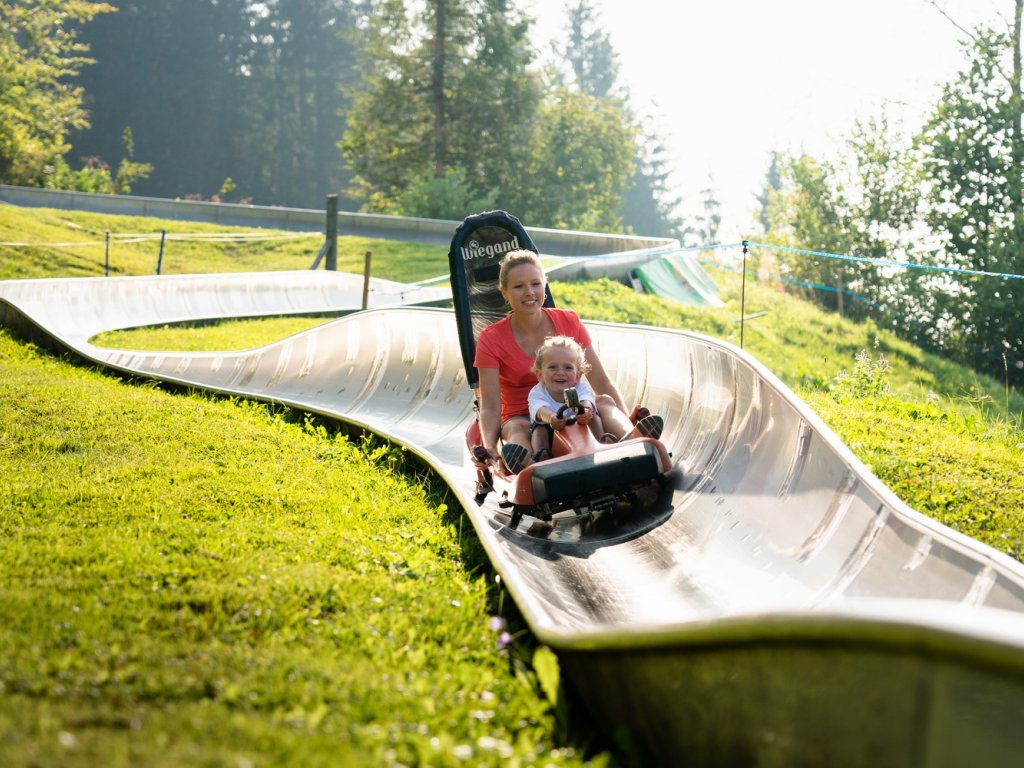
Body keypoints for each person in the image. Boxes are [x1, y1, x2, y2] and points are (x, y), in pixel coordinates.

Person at [473, 249, 662, 474]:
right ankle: (527, 467)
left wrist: (624, 415)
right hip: (524, 416)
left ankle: (632, 437)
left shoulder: (568, 321)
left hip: (575, 409)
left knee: (604, 402)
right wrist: (490, 448)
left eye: (535, 283)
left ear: (545, 285)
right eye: (518, 286)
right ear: (504, 292)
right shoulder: (491, 338)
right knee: (517, 428)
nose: (529, 292)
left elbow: (601, 380)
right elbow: (491, 406)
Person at [527, 336, 614, 462]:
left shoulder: (582, 387)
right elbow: (540, 409)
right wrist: (551, 417)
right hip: (553, 432)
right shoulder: (537, 392)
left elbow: (586, 400)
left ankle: (602, 443)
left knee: (594, 418)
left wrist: (585, 410)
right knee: (539, 430)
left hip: (581, 429)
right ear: (540, 374)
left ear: (577, 375)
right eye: (553, 367)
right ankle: (541, 456)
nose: (560, 372)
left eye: (568, 368)